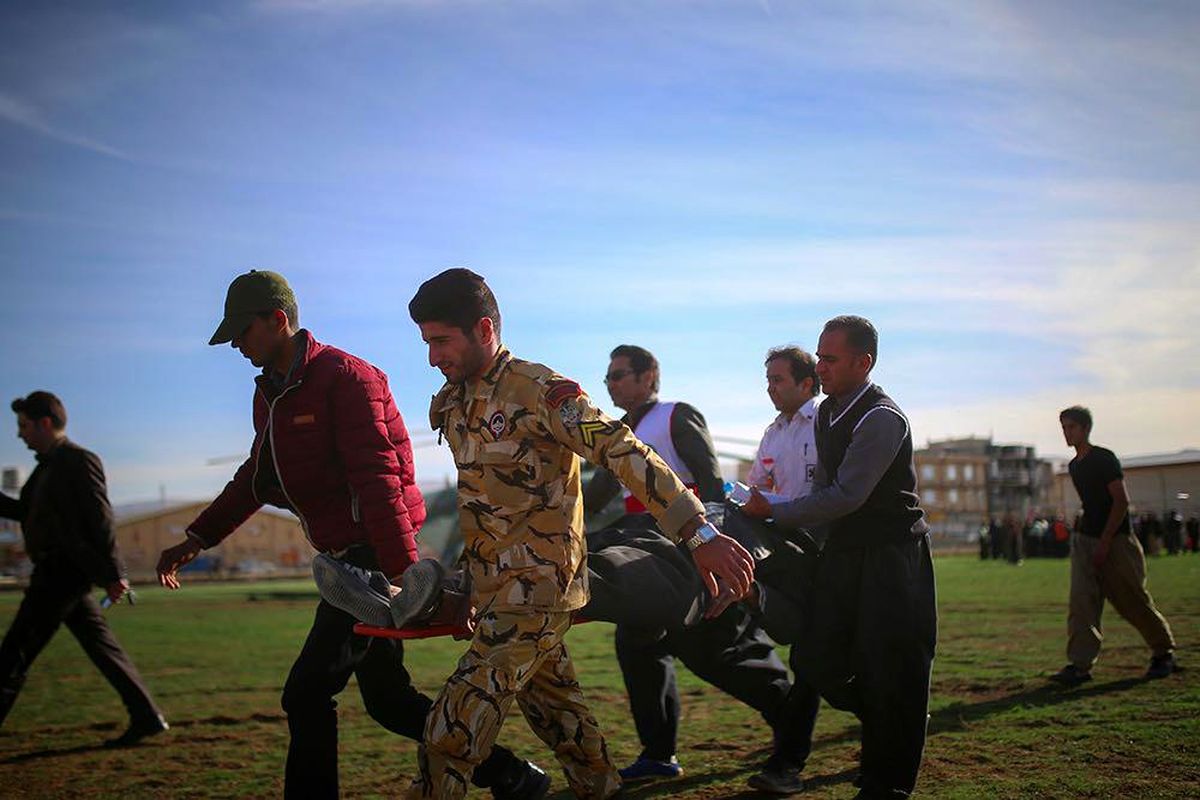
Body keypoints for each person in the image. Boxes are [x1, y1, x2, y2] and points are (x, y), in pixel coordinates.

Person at [155, 270, 544, 800]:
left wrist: (407, 574)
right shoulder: (271, 393)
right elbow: (257, 476)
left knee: (306, 693)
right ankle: (511, 775)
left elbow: (379, 481)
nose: (238, 346)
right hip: (344, 561)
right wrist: (198, 537)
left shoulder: (347, 378)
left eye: (243, 333)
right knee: (389, 701)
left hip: (369, 561)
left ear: (277, 320)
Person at [404, 268, 754, 800]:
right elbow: (485, 506)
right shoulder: (453, 403)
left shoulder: (541, 391)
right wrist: (469, 582)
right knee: (562, 723)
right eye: (426, 342)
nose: (432, 356)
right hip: (497, 593)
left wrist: (698, 533)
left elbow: (622, 450)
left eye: (440, 340)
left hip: (540, 591)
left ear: (482, 329)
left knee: (450, 733)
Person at [742, 315, 937, 800]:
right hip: (843, 553)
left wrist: (777, 512)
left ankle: (887, 782)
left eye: (829, 359)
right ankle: (890, 720)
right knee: (816, 656)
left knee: (892, 667)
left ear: (861, 362)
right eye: (820, 356)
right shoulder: (828, 413)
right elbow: (826, 493)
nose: (821, 366)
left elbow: (847, 494)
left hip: (892, 556)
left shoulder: (882, 418)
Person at [583, 344, 792, 784]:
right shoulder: (617, 436)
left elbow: (712, 486)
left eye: (619, 375)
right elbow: (595, 497)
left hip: (690, 550)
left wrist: (712, 548)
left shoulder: (677, 415)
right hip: (641, 554)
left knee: (716, 652)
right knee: (638, 644)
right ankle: (659, 754)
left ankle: (793, 717)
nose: (612, 384)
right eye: (608, 378)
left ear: (648, 379)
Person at [0, 391, 167, 745]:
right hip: (64, 573)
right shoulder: (45, 467)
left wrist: (114, 574)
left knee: (14, 653)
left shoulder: (78, 461)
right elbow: (24, 512)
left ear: (45, 423)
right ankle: (147, 716)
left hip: (62, 573)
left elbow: (101, 519)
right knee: (102, 648)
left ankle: (147, 716)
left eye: (23, 426)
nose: (19, 434)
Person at [1050, 406, 1178, 686]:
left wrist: (1106, 541)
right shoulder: (1074, 465)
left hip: (1116, 540)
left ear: (1085, 429)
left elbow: (1120, 501)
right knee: (1082, 602)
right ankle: (1080, 665)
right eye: (1063, 427)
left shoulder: (1103, 459)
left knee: (1132, 599)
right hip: (1085, 540)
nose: (1066, 432)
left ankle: (1163, 652)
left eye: (1071, 427)